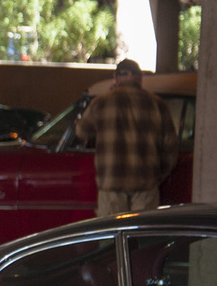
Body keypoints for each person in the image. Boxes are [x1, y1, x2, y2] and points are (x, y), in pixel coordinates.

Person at [75, 58, 180, 217]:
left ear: (116, 78)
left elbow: (81, 132)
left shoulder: (101, 103)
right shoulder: (158, 105)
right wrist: (157, 175)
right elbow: (171, 148)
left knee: (112, 238)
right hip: (146, 186)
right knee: (144, 238)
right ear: (140, 78)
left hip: (112, 187)